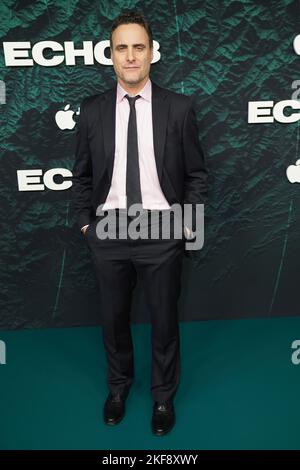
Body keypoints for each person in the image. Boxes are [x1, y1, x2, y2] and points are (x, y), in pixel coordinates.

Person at [72, 10, 208, 436]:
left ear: (152, 53)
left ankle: (163, 397)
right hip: (109, 232)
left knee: (164, 321)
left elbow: (197, 175)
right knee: (113, 320)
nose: (130, 57)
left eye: (139, 47)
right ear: (110, 55)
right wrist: (86, 226)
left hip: (162, 231)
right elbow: (82, 175)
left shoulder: (180, 108)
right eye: (121, 48)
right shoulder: (92, 110)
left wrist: (187, 225)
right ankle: (118, 388)